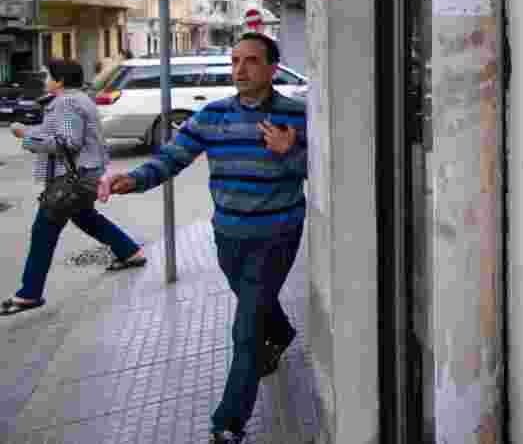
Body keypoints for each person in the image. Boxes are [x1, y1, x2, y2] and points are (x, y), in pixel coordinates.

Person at [101, 32, 307, 444]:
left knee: (246, 327)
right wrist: (133, 179)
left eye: (250, 61)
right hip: (229, 236)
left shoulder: (298, 114)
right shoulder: (213, 115)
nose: (240, 70)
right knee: (256, 303)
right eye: (234, 61)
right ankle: (282, 333)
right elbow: (172, 157)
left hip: (277, 234)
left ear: (271, 68)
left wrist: (293, 152)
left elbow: (328, 168)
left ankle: (228, 424)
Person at [1, 60, 147, 317]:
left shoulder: (66, 103)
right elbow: (62, 133)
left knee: (43, 230)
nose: (45, 79)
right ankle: (129, 251)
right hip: (84, 176)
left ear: (59, 80)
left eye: (48, 75)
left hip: (71, 178)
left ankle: (29, 293)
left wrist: (26, 136)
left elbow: (68, 141)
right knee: (85, 217)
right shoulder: (78, 99)